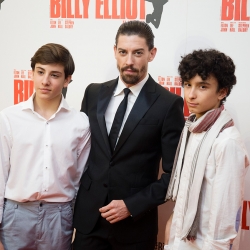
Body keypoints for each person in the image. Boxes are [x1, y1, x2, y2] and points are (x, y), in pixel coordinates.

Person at [73, 20, 185, 249]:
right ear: (115, 51)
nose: (129, 61)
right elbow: (80, 154)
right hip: (89, 223)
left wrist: (131, 205)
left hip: (134, 228)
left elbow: (175, 176)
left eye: (138, 53)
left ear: (151, 54)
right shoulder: (93, 93)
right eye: (123, 52)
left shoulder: (168, 104)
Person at [0, 43, 91, 250]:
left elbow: (79, 180)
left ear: (67, 80)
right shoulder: (8, 118)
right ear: (32, 73)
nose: (45, 81)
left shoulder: (80, 122)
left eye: (55, 75)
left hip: (59, 216)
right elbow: (0, 175)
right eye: (40, 72)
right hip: (15, 213)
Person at [164, 49, 249, 250]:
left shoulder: (227, 142)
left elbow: (226, 217)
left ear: (222, 91)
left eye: (202, 86)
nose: (191, 95)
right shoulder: (192, 128)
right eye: (187, 85)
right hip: (180, 240)